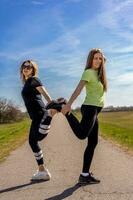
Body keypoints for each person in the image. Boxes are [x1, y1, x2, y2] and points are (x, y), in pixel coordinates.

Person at [61, 48, 107, 184]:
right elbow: (78, 89)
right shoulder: (88, 73)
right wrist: (68, 104)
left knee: (93, 142)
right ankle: (64, 109)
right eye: (95, 58)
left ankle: (84, 175)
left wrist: (103, 58)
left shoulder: (99, 74)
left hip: (96, 111)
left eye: (100, 58)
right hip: (89, 108)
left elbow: (104, 61)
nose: (98, 61)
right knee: (82, 135)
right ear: (90, 60)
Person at [20, 60, 65, 181]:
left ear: (33, 69)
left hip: (39, 113)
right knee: (32, 142)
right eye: (24, 67)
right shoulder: (27, 82)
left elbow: (44, 92)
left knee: (38, 138)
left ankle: (51, 113)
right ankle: (42, 170)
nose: (26, 68)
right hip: (35, 116)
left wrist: (52, 104)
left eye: (29, 67)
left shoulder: (34, 79)